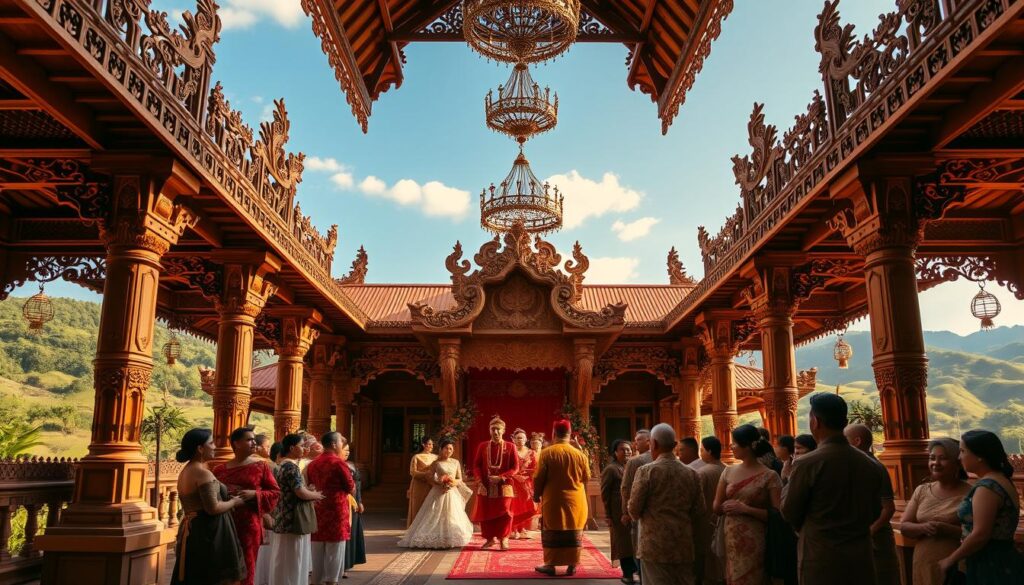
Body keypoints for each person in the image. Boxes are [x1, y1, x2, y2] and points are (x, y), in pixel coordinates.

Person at [781, 393, 882, 585]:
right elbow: (875, 511)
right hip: (861, 558)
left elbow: (789, 511)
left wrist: (786, 480)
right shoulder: (870, 464)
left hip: (821, 557)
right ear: (844, 421)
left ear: (815, 422)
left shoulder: (808, 463)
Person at [939, 430, 1024, 583]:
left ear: (979, 456)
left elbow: (980, 535)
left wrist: (950, 560)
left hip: (989, 563)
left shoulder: (988, 488)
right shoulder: (1001, 480)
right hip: (1002, 559)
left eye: (963, 451)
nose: (959, 457)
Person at [628, 424, 706, 585]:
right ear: (674, 445)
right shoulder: (691, 473)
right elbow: (700, 510)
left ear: (654, 444)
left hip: (654, 546)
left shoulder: (646, 471)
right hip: (683, 544)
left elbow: (634, 510)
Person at [171, 428, 247, 585]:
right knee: (213, 576)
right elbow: (213, 508)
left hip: (194, 528)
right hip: (210, 531)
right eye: (211, 443)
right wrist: (235, 502)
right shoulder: (202, 473)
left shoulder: (186, 471)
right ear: (200, 448)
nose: (214, 447)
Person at [713, 424, 781, 585]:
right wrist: (725, 505)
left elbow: (777, 514)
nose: (731, 446)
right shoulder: (728, 472)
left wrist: (745, 509)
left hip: (756, 537)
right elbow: (716, 507)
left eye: (735, 443)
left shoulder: (770, 476)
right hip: (731, 536)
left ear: (748, 446)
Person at [213, 426, 281, 585]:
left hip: (249, 524)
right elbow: (213, 495)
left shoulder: (261, 466)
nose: (254, 442)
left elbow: (275, 492)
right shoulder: (219, 470)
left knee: (248, 566)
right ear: (236, 444)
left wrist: (255, 494)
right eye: (249, 439)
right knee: (225, 566)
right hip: (225, 522)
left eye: (254, 439)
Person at [898, 438, 970, 585]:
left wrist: (946, 529)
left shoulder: (971, 493)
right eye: (932, 458)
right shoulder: (922, 490)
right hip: (924, 561)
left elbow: (979, 534)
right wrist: (923, 527)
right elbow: (904, 526)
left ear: (958, 463)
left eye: (943, 459)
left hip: (955, 565)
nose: (935, 463)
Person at [533, 419, 591, 576]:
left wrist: (536, 494)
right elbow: (587, 477)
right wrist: (580, 449)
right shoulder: (580, 455)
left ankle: (550, 565)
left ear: (553, 433)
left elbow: (539, 477)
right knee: (574, 531)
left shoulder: (547, 453)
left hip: (554, 500)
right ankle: (572, 565)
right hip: (576, 501)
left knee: (552, 530)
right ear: (570, 434)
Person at [844, 424, 899, 585]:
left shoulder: (874, 467)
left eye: (845, 440)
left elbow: (888, 508)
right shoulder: (855, 466)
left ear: (857, 441)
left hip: (876, 540)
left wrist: (868, 533)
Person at [398, 438, 475, 548]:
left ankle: (450, 537)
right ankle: (433, 537)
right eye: (446, 448)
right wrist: (439, 483)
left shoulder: (456, 462)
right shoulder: (436, 463)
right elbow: (429, 477)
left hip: (451, 492)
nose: (448, 451)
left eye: (450, 449)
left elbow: (460, 479)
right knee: (434, 514)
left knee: (451, 514)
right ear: (441, 449)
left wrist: (452, 483)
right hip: (438, 491)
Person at [270, 433, 324, 585]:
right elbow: (300, 492)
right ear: (292, 448)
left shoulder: (282, 465)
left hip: (283, 516)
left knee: (283, 558)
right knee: (294, 559)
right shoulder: (291, 467)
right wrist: (316, 494)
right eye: (301, 445)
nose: (304, 448)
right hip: (293, 518)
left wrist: (309, 491)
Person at [306, 432, 355, 585]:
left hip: (318, 508)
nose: (343, 446)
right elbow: (350, 487)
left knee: (317, 548)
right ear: (334, 444)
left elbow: (310, 484)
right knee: (335, 548)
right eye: (341, 442)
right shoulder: (339, 463)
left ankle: (315, 580)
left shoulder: (313, 463)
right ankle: (331, 581)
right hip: (336, 510)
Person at [470, 414, 519, 550]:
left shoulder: (510, 446)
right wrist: (479, 480)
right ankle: (490, 539)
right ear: (489, 430)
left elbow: (515, 468)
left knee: (505, 512)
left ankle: (504, 538)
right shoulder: (483, 446)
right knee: (486, 512)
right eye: (493, 429)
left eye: (498, 429)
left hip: (504, 485)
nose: (495, 432)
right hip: (486, 485)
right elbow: (476, 465)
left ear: (503, 430)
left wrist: (502, 477)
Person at [602, 439, 637, 585]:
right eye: (623, 449)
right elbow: (605, 493)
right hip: (617, 512)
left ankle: (635, 571)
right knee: (623, 543)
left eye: (628, 449)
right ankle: (627, 574)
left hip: (632, 510)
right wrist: (608, 514)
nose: (627, 452)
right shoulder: (611, 469)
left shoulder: (633, 466)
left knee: (634, 541)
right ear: (615, 452)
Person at [620, 428, 652, 573]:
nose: (635, 443)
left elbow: (626, 489)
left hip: (639, 513)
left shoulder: (636, 462)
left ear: (649, 441)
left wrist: (626, 512)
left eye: (638, 440)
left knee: (640, 548)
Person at [696, 436, 726, 585]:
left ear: (709, 451)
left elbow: (696, 500)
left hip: (704, 521)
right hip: (723, 520)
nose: (701, 453)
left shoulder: (703, 472)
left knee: (706, 556)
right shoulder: (727, 469)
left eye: (702, 450)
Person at [510, 428, 539, 538]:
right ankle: (513, 529)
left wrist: (527, 476)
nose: (519, 440)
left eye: (521, 438)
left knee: (526, 506)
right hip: (513, 482)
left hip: (527, 483)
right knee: (514, 506)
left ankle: (523, 529)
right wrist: (515, 476)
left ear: (526, 439)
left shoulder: (532, 452)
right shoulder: (510, 451)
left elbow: (535, 468)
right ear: (513, 439)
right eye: (517, 438)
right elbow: (507, 467)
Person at [344, 444, 367, 574]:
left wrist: (359, 501)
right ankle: (343, 566)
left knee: (353, 533)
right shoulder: (339, 466)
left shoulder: (352, 464)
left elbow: (357, 485)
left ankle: (350, 561)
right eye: (344, 450)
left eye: (348, 450)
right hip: (345, 503)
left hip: (354, 502)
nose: (346, 453)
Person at [407, 436, 437, 528]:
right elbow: (413, 472)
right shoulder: (417, 457)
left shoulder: (436, 457)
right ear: (423, 445)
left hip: (431, 485)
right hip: (419, 485)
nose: (431, 446)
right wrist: (425, 474)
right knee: (418, 506)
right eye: (429, 444)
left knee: (431, 508)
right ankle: (415, 529)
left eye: (432, 444)